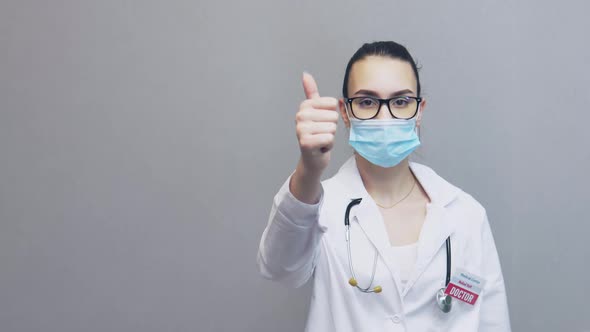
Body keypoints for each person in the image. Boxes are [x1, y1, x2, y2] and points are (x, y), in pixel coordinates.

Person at [257, 41, 511, 331]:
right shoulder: (320, 205)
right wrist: (309, 170)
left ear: (419, 111)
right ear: (345, 112)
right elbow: (278, 269)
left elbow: (494, 322)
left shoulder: (465, 214)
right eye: (367, 102)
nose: (385, 116)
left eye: (401, 102)